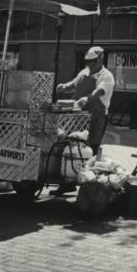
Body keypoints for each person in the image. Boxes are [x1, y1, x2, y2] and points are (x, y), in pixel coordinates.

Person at [54, 46, 115, 195]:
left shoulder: (106, 75)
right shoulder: (84, 72)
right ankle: (67, 183)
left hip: (96, 118)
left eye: (93, 62)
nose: (89, 65)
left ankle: (87, 187)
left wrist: (87, 98)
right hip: (76, 117)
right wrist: (64, 87)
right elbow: (73, 85)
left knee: (90, 151)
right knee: (70, 148)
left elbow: (99, 90)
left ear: (100, 59)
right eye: (87, 62)